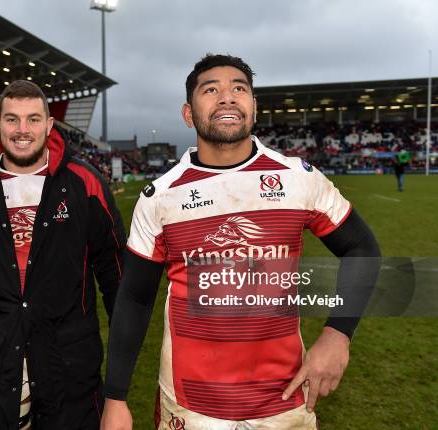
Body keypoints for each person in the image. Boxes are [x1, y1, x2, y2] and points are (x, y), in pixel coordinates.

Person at [100, 55, 381, 430]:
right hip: (190, 407)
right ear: (188, 113)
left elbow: (361, 248)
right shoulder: (160, 198)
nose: (227, 97)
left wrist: (337, 335)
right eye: (211, 89)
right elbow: (135, 297)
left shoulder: (298, 180)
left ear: (254, 107)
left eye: (239, 89)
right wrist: (116, 397)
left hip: (282, 403)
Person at [0, 80, 125, 429]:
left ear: (49, 125)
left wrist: (124, 356)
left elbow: (116, 272)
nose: (22, 130)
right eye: (12, 119)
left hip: (68, 359)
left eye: (33, 119)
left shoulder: (84, 182)